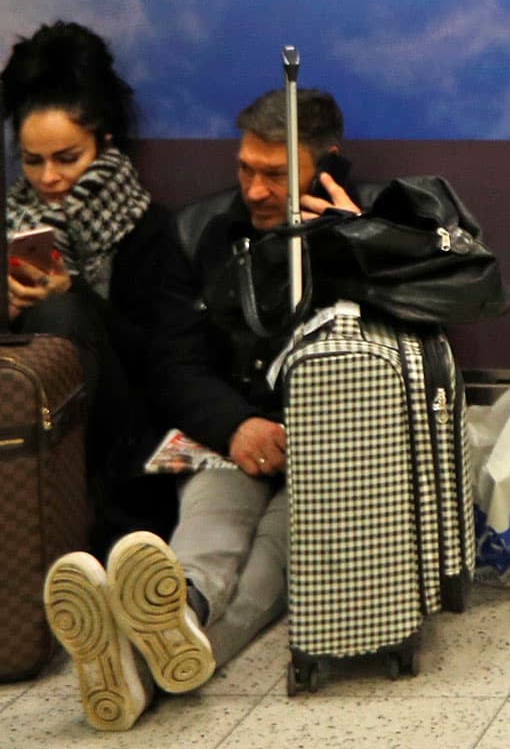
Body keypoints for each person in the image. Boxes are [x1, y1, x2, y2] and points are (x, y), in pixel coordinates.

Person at [40, 85, 364, 733]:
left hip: (329, 449)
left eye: (275, 175)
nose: (255, 190)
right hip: (233, 437)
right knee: (213, 526)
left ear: (324, 167)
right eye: (245, 169)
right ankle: (177, 604)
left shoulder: (368, 230)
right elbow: (174, 363)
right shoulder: (206, 237)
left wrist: (359, 246)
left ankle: (136, 656)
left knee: (280, 551)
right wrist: (234, 424)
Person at [4, 22, 167, 548]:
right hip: (23, 420)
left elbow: (159, 354)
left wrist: (73, 292)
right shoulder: (12, 218)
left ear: (104, 142)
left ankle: (79, 528)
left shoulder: (143, 224)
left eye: (67, 158)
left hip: (119, 433)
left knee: (61, 317)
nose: (49, 177)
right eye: (33, 161)